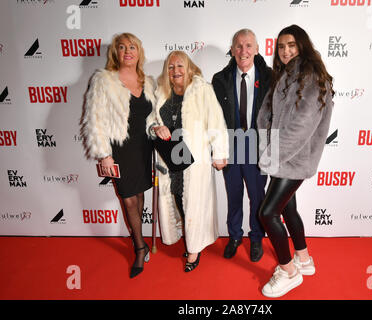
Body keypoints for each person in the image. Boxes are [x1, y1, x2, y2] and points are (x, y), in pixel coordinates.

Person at [257, 24, 335, 297]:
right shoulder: (286, 76)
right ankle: (303, 258)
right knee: (287, 209)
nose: (285, 51)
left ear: (301, 45)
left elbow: (301, 127)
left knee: (267, 213)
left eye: (291, 45)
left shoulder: (311, 77)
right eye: (281, 46)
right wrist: (267, 143)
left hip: (294, 158)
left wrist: (272, 156)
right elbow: (267, 114)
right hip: (282, 157)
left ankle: (288, 271)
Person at [81, 33, 156, 279]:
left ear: (138, 52)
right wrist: (104, 154)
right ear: (116, 53)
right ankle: (139, 247)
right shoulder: (104, 80)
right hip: (120, 151)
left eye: (132, 47)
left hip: (144, 148)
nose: (127, 51)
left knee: (140, 193)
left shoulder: (149, 81)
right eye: (122, 47)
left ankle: (139, 235)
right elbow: (95, 120)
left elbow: (154, 116)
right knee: (129, 199)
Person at [147, 51, 228, 272]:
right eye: (171, 67)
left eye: (180, 66)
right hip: (170, 157)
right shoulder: (161, 92)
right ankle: (189, 237)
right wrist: (156, 127)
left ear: (189, 67)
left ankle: (194, 248)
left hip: (195, 160)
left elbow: (216, 122)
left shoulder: (202, 90)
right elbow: (151, 119)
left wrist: (220, 152)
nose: (175, 71)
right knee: (177, 198)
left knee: (194, 203)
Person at [212, 29, 272, 262]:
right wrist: (217, 150)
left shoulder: (271, 77)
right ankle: (234, 236)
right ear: (232, 50)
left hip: (261, 146)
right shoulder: (220, 79)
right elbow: (214, 118)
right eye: (238, 46)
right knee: (233, 195)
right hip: (231, 144)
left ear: (257, 49)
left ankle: (256, 238)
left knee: (258, 198)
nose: (243, 51)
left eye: (248, 45)